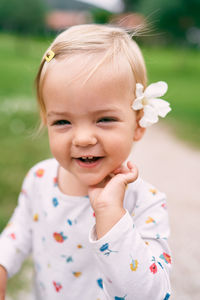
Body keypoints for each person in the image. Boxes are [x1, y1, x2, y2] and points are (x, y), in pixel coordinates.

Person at [0, 24, 172, 300]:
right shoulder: (40, 178)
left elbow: (152, 293)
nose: (82, 138)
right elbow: (18, 232)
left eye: (104, 119)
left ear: (139, 122)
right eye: (63, 122)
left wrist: (112, 217)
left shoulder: (145, 202)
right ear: (46, 122)